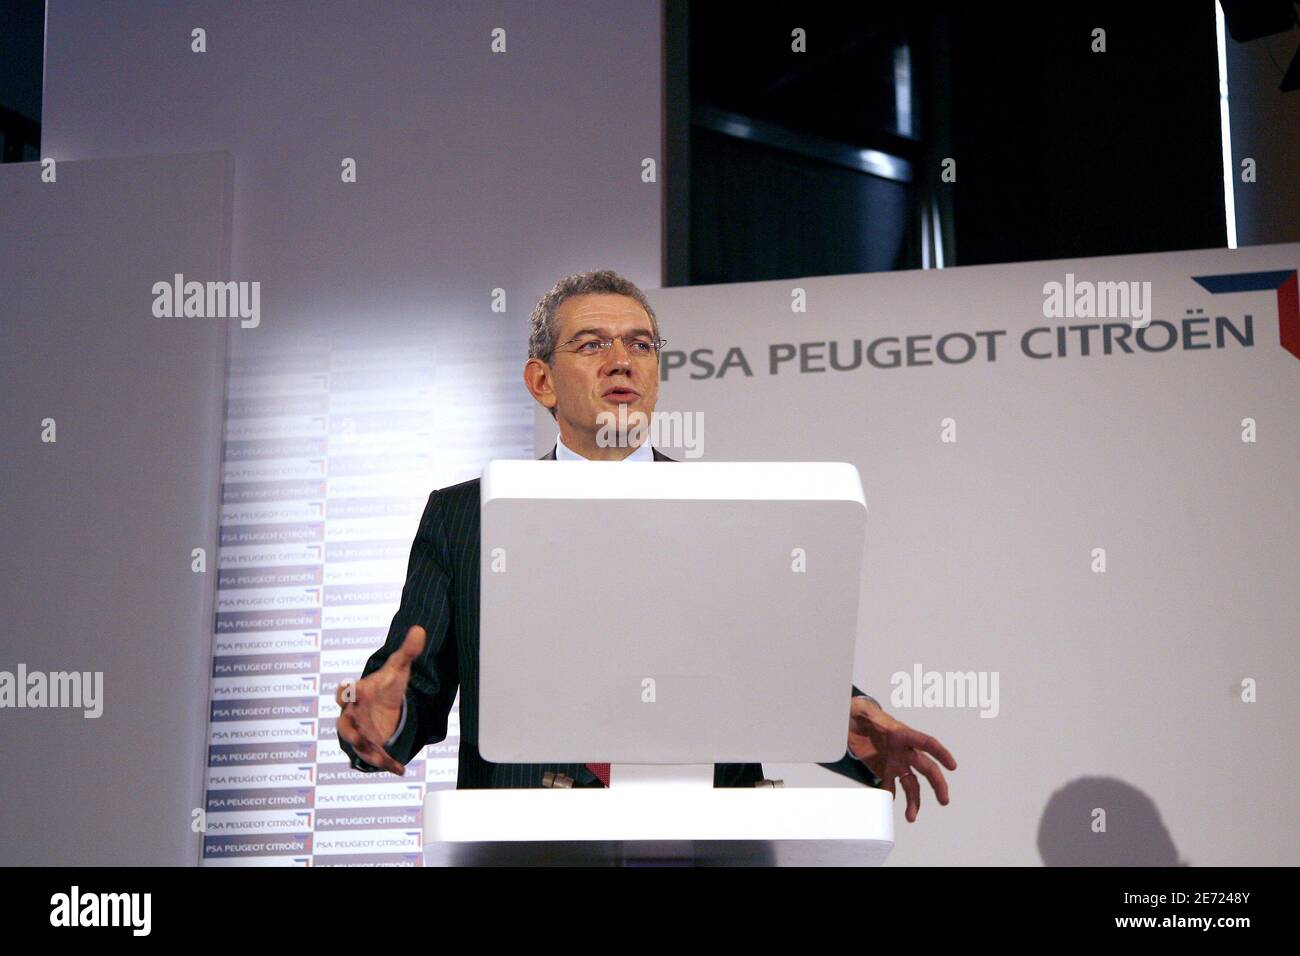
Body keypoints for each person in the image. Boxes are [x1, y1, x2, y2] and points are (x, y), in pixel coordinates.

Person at [337, 269, 956, 822]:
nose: (622, 360)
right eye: (592, 344)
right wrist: (378, 723)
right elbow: (408, 686)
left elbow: (777, 670)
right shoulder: (462, 517)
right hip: (528, 841)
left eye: (640, 344)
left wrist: (847, 728)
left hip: (706, 839)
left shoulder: (732, 512)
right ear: (542, 381)